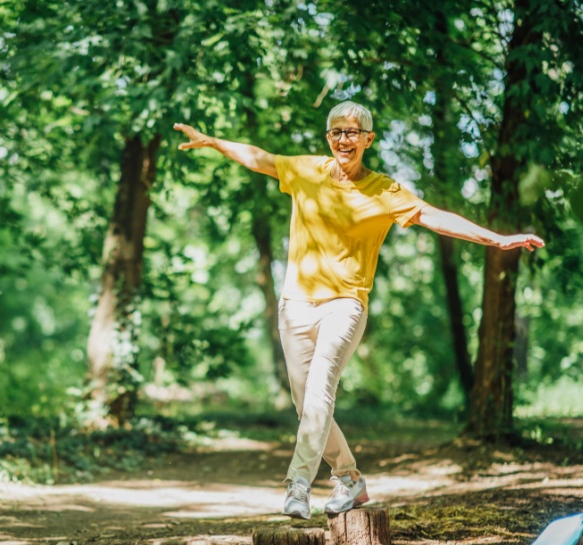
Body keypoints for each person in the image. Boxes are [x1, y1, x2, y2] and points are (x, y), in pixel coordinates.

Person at [174, 101, 545, 520]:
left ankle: (298, 485)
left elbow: (434, 216)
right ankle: (350, 479)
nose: (342, 139)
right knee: (307, 405)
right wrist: (213, 142)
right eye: (336, 131)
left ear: (368, 139)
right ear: (327, 137)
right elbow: (259, 157)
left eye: (352, 132)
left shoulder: (384, 191)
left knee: (320, 391)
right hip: (294, 305)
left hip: (345, 305)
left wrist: (497, 240)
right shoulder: (306, 170)